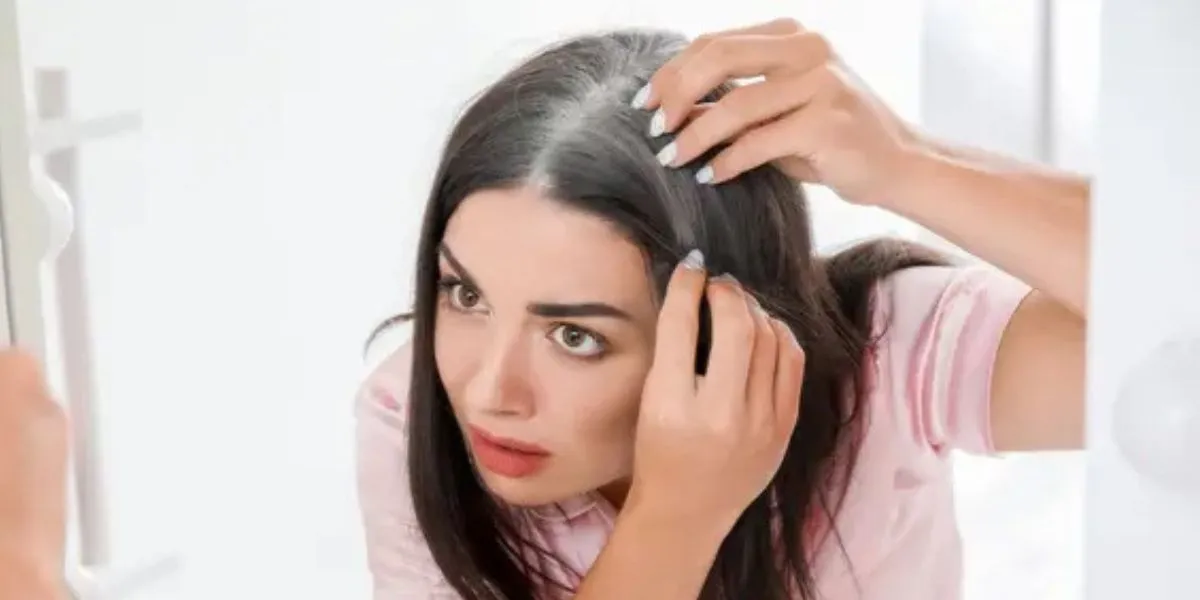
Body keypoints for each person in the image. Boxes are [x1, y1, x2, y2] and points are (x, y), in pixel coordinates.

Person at [0, 17, 1087, 600]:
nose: (487, 390)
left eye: (575, 335)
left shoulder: (879, 357)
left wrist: (907, 164)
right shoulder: (409, 411)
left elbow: (1160, 342)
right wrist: (678, 516)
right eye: (464, 294)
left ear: (723, 330)